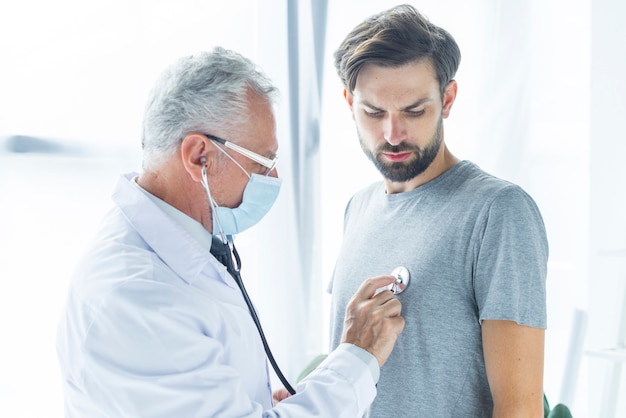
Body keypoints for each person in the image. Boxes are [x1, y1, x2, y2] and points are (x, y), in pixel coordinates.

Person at [56, 47, 405, 417]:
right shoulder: (137, 295)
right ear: (199, 156)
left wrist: (251, 401)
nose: (273, 178)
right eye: (261, 162)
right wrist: (356, 358)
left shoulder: (184, 245)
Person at [328, 4, 548, 417]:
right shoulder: (357, 209)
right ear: (349, 102)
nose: (393, 134)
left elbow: (520, 409)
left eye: (414, 110)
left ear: (447, 99)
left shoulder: (498, 213)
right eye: (374, 113)